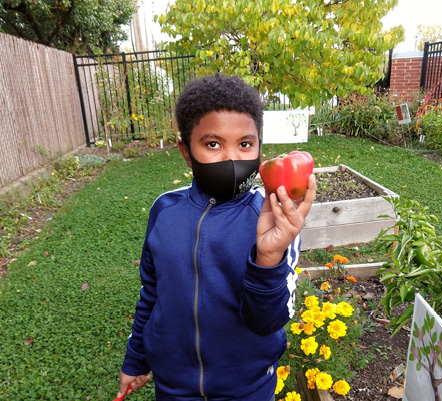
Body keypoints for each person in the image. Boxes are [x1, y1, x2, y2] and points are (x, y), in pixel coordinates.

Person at [116, 73, 316, 401]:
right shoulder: (165, 210)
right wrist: (136, 359)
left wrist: (268, 257)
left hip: (247, 390)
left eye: (245, 144)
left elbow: (267, 322)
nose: (231, 158)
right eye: (212, 144)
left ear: (259, 147)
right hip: (173, 386)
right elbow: (152, 293)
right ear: (185, 150)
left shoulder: (275, 221)